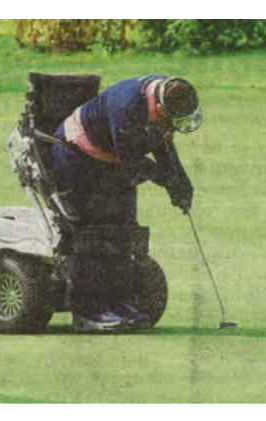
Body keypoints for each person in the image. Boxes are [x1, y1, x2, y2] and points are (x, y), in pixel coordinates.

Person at [52, 75, 200, 332]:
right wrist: (167, 181)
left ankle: (118, 304)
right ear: (162, 108)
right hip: (75, 155)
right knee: (94, 230)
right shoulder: (127, 107)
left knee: (125, 228)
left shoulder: (163, 97)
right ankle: (89, 313)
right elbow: (133, 163)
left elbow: (163, 147)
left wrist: (181, 186)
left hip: (108, 158)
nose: (172, 128)